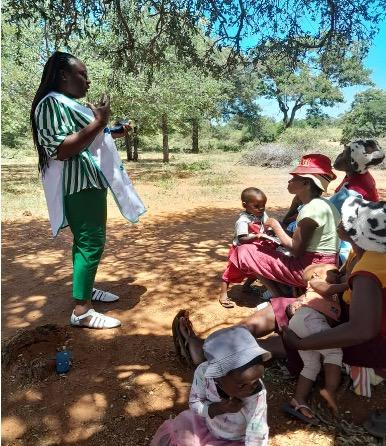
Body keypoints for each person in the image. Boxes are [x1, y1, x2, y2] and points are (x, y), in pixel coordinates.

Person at [173, 197, 386, 387]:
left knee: (291, 337)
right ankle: (212, 345)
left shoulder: (368, 271)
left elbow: (362, 330)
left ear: (357, 233)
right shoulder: (363, 253)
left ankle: (219, 352)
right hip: (341, 312)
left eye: (345, 220)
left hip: (370, 345)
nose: (340, 222)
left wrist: (302, 343)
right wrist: (307, 299)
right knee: (279, 308)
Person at [30, 51, 146, 329]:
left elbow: (88, 138)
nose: (88, 81)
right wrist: (98, 123)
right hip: (78, 185)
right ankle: (82, 310)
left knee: (86, 242)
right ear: (63, 75)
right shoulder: (50, 104)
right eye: (82, 74)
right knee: (91, 243)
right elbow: (59, 148)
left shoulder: (66, 103)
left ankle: (86, 288)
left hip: (90, 182)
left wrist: (112, 129)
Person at [226, 154, 340, 293]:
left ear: (306, 183)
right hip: (328, 265)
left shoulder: (311, 210)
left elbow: (296, 250)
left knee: (245, 250)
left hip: (311, 269)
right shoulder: (325, 204)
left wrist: (275, 226)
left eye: (294, 178)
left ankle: (277, 294)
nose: (289, 181)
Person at [151, 326, 270, 446]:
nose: (251, 388)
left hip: (236, 439)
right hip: (204, 426)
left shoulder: (257, 395)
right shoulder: (204, 373)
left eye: (256, 380)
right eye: (241, 385)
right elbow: (195, 402)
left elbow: (257, 431)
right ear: (218, 377)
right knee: (183, 433)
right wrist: (219, 408)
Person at [284, 263, 347, 424]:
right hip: (309, 318)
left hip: (307, 323)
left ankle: (299, 399)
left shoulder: (332, 297)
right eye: (333, 271)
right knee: (334, 352)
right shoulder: (316, 284)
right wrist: (349, 283)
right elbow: (328, 290)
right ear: (316, 275)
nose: (338, 274)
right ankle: (330, 391)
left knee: (312, 364)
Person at [219, 187, 269, 308]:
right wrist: (258, 236)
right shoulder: (243, 221)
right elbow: (242, 239)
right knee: (232, 272)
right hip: (240, 252)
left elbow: (268, 224)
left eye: (263, 205)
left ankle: (246, 287)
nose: (261, 209)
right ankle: (223, 294)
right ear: (245, 205)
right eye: (256, 206)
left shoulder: (262, 215)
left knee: (255, 271)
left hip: (255, 250)